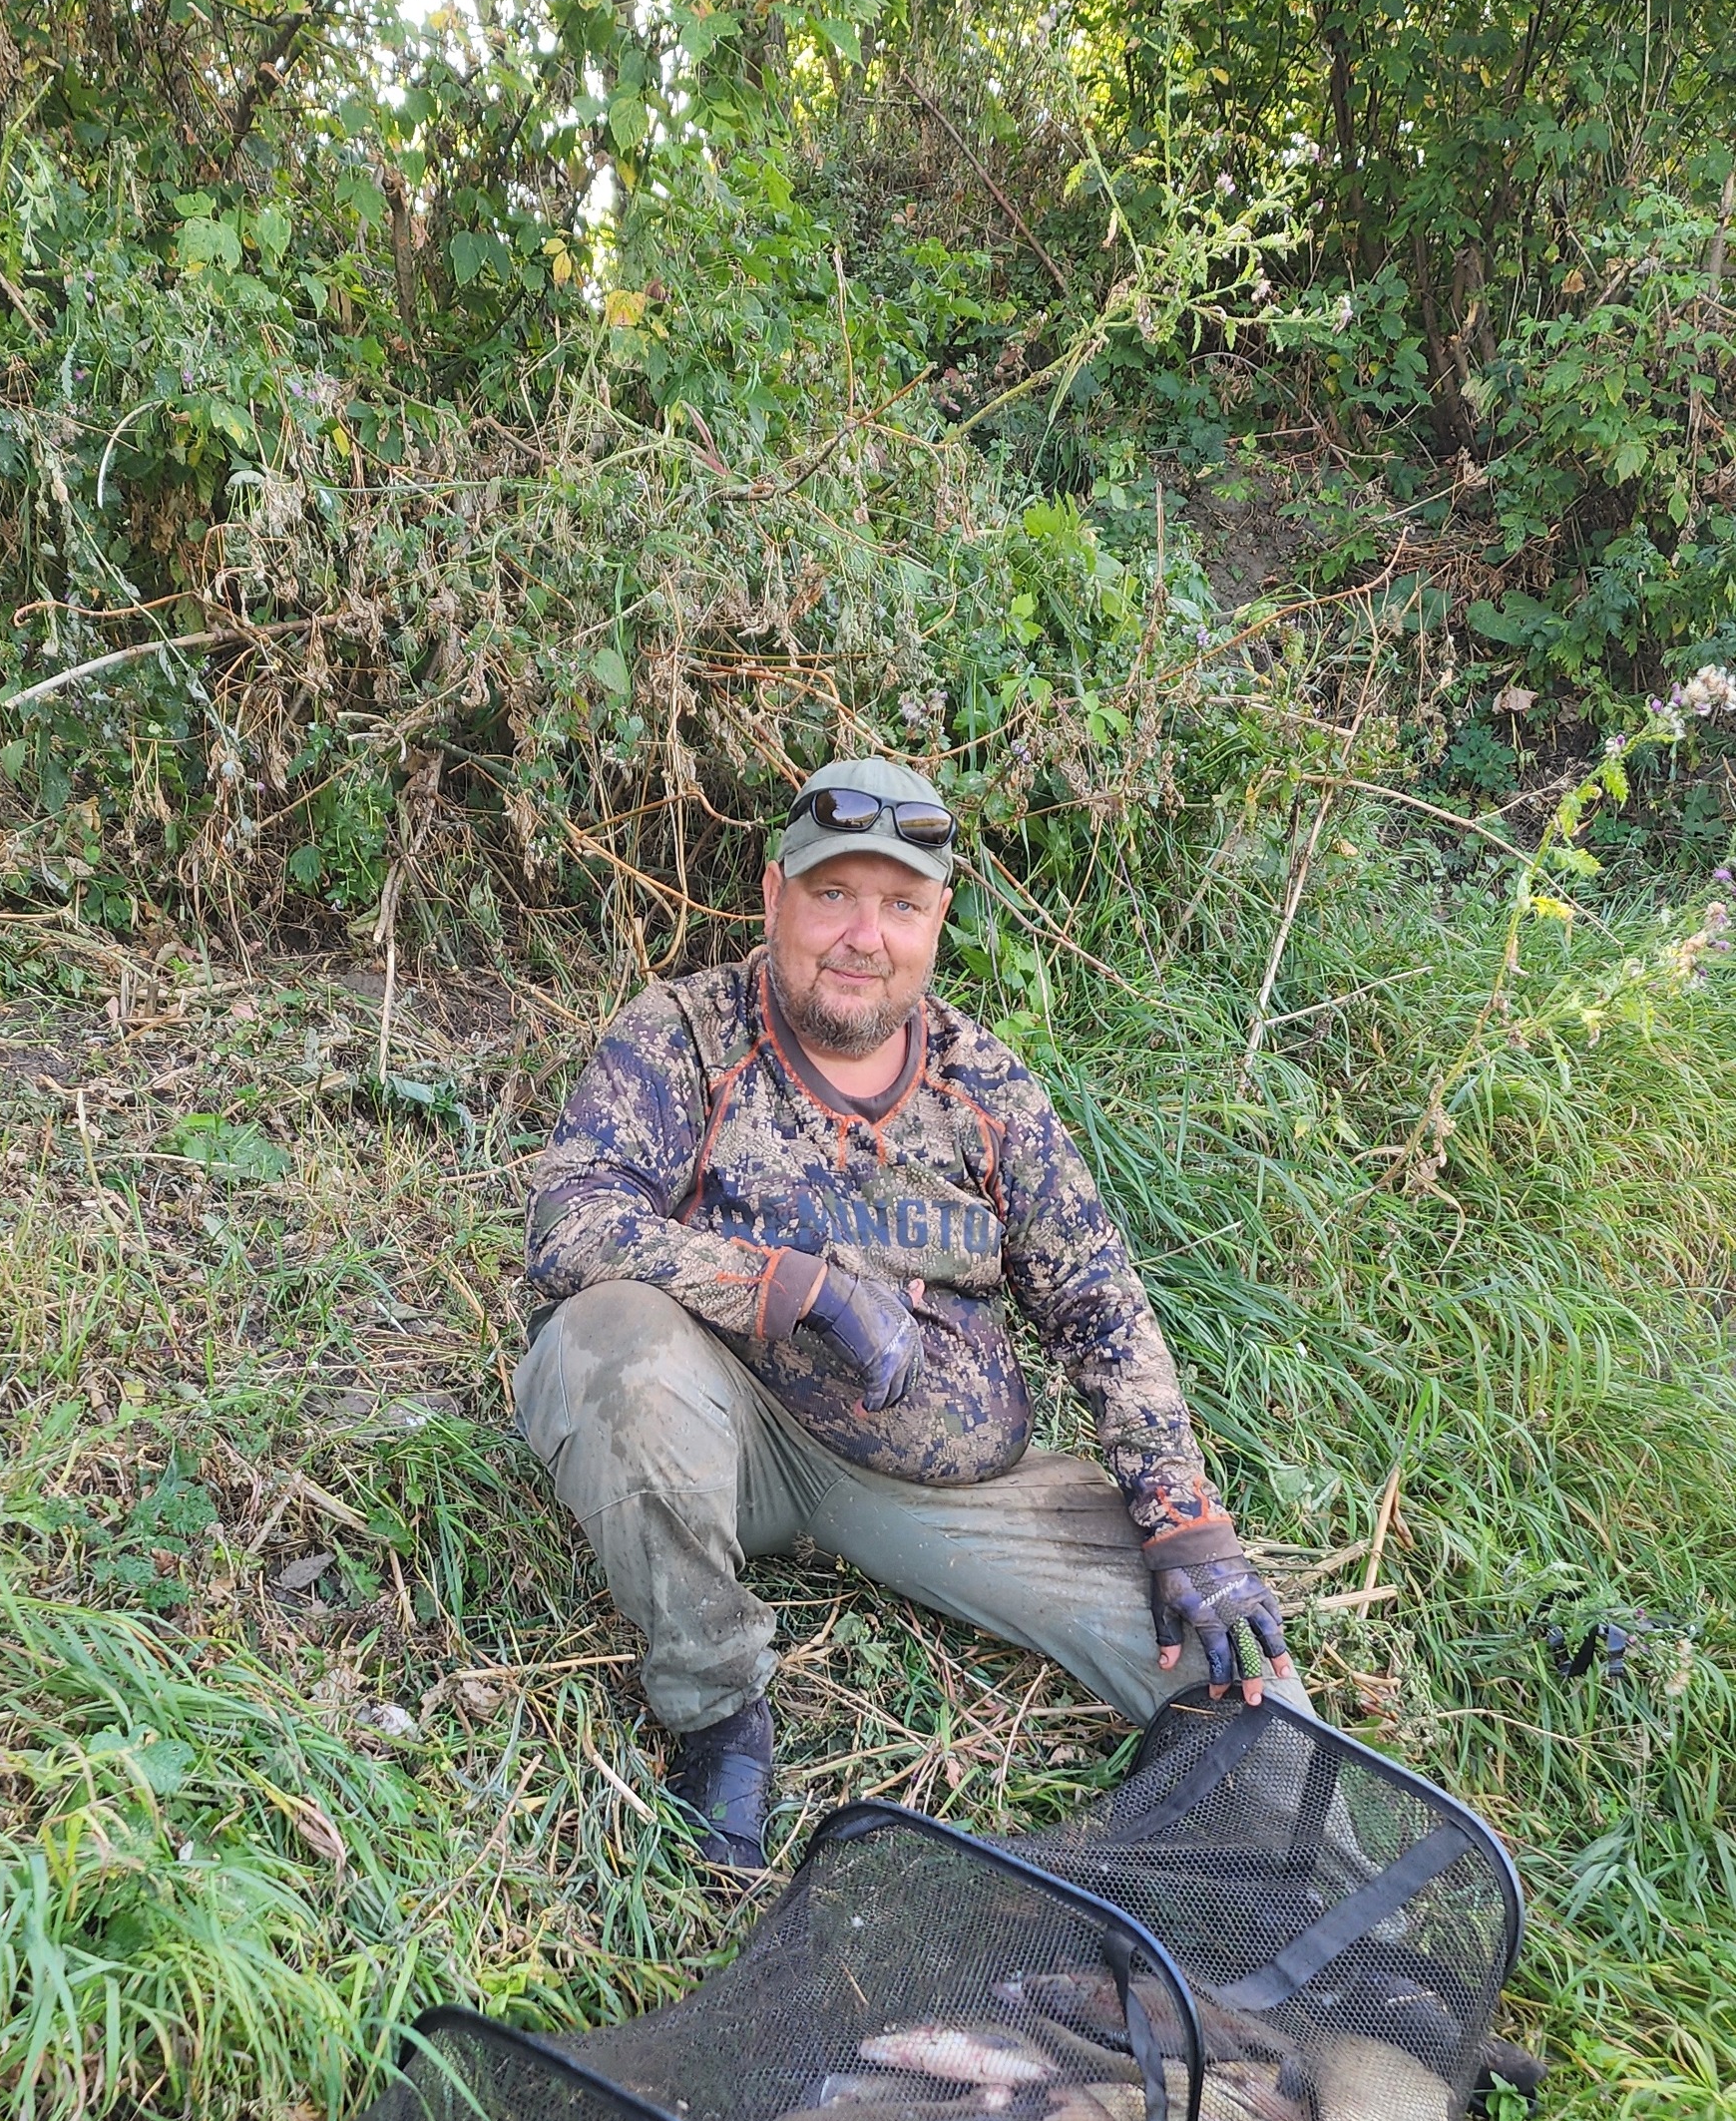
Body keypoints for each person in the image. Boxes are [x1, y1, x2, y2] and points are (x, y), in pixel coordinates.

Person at [514, 756, 1302, 1870]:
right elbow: (569, 1222)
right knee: (607, 1341)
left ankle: (1340, 1907)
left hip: (946, 1486)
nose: (860, 935)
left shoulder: (986, 1090)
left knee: (1224, 1658)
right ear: (775, 895)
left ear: (935, 925)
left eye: (898, 905)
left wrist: (1182, 1516)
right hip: (725, 1433)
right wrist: (796, 1287)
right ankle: (717, 1712)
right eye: (832, 893)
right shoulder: (684, 1033)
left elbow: (1097, 1300)